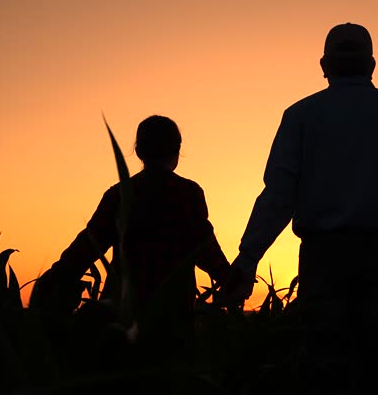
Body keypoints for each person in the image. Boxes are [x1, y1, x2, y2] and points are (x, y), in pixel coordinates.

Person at [218, 22, 378, 391]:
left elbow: (278, 195)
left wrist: (248, 259)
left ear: (323, 65)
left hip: (322, 261)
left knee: (323, 367)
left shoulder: (300, 116)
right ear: (372, 65)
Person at [30, 115, 231, 362]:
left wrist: (52, 279)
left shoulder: (120, 194)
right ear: (177, 151)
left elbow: (86, 247)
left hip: (121, 316)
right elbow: (205, 249)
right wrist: (232, 280)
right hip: (172, 317)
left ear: (138, 151)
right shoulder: (188, 193)